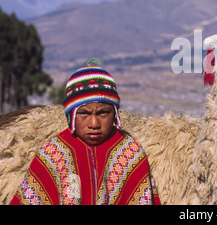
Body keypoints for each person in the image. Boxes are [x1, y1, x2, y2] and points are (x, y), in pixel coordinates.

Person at [10, 59, 161, 205]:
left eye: (103, 113)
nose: (94, 124)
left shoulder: (131, 153)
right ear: (71, 115)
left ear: (115, 114)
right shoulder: (53, 153)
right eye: (84, 114)